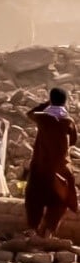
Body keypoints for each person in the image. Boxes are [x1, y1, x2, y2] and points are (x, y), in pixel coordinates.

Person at [25, 88, 78, 239]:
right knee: (60, 200)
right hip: (61, 169)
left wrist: (46, 103)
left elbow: (29, 113)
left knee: (34, 197)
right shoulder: (68, 121)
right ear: (65, 101)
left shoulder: (42, 118)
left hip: (40, 166)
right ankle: (49, 230)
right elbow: (73, 140)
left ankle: (32, 230)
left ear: (51, 100)